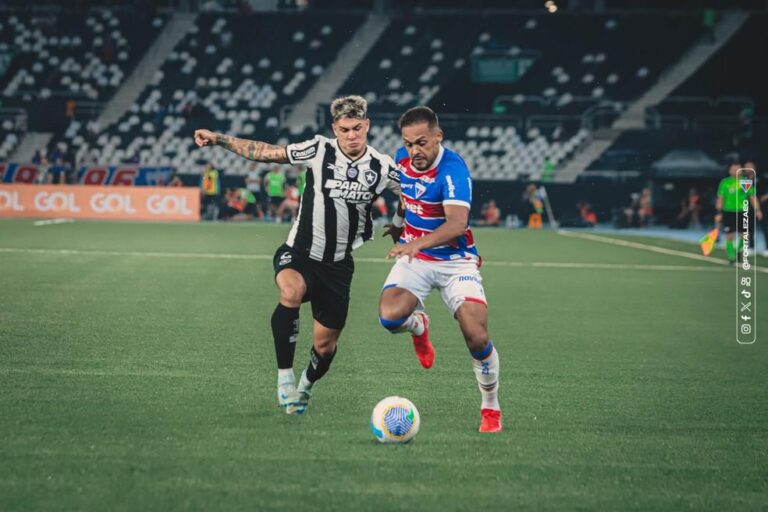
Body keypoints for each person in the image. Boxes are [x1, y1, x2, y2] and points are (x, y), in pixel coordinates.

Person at [194, 95, 402, 415]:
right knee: (290, 291)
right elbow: (265, 152)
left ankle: (305, 384)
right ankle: (284, 379)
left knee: (325, 346)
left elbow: (412, 192)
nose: (351, 135)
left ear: (367, 126)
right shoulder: (318, 150)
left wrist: (400, 225)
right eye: (344, 129)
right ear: (335, 128)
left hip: (338, 267)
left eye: (357, 128)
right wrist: (219, 138)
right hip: (299, 252)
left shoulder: (383, 166)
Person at [377, 106, 502, 433]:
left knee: (475, 334)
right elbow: (406, 199)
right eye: (408, 144)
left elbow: (457, 224)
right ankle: (418, 326)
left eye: (421, 143)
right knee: (390, 317)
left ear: (438, 136)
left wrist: (415, 244)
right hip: (417, 258)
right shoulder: (402, 162)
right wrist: (397, 225)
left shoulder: (453, 170)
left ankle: (491, 408)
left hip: (454, 260)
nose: (415, 151)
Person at [715, 160, 763, 263]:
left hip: (742, 212)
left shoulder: (745, 182)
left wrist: (757, 210)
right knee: (730, 235)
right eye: (733, 169)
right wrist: (719, 212)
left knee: (745, 234)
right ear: (729, 170)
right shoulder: (725, 182)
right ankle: (731, 257)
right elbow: (720, 198)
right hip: (728, 212)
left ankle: (738, 250)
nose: (736, 170)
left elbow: (752, 197)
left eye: (738, 169)